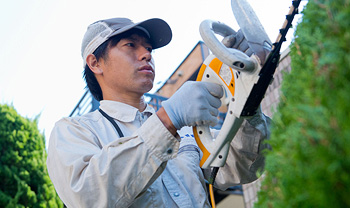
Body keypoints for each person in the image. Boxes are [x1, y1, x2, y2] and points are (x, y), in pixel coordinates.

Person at [47, 17, 271, 208]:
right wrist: (168, 120)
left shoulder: (186, 130)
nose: (146, 53)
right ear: (95, 63)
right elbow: (87, 195)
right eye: (130, 45)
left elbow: (242, 167)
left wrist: (246, 100)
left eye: (148, 48)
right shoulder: (74, 131)